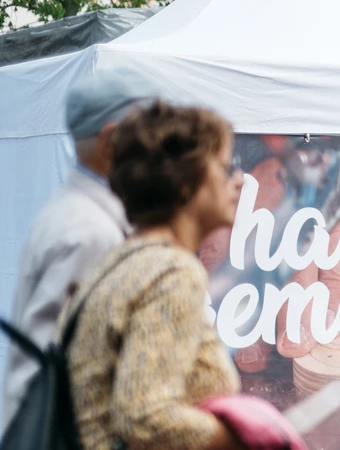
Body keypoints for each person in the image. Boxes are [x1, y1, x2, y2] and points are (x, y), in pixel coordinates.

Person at [63, 101, 251, 450]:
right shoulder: (173, 273)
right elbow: (144, 416)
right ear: (184, 184)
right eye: (226, 168)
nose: (238, 181)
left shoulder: (115, 263)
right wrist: (243, 437)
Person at [3, 71, 158, 426]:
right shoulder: (91, 233)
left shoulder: (76, 214)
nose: (156, 151)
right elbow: (46, 365)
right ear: (110, 141)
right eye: (146, 137)